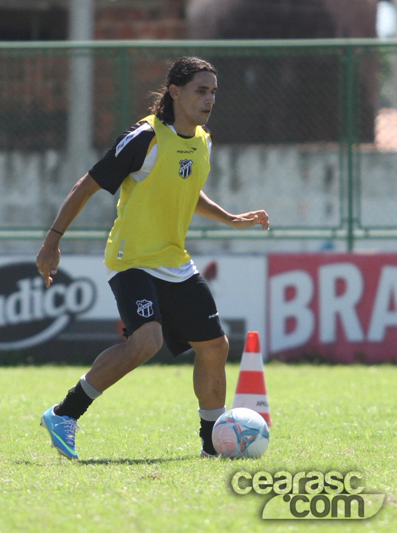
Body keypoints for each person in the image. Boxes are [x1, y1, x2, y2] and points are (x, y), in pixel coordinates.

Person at [37, 57, 269, 460]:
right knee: (147, 341)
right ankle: (64, 413)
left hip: (175, 261)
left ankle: (212, 445)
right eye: (201, 90)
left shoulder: (203, 140)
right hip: (132, 259)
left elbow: (185, 190)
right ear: (175, 92)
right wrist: (53, 240)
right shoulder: (146, 136)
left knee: (214, 347)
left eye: (213, 91)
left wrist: (229, 218)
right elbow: (88, 184)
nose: (209, 98)